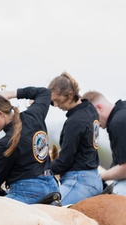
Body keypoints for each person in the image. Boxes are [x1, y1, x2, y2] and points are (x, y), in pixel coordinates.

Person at [0, 86, 59, 204]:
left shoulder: (5, 142)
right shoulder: (34, 115)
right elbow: (44, 92)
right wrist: (11, 94)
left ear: (0, 114)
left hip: (27, 191)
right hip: (52, 185)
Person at [48, 72, 103, 205]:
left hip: (79, 181)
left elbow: (65, 160)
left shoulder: (75, 121)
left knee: (49, 212)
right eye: (52, 101)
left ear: (70, 94)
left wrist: (42, 170)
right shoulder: (90, 109)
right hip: (95, 177)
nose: (55, 105)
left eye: (58, 100)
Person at [82, 90, 126, 196]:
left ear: (99, 108)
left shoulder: (117, 123)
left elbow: (124, 168)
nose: (94, 123)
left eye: (92, 117)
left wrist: (100, 176)